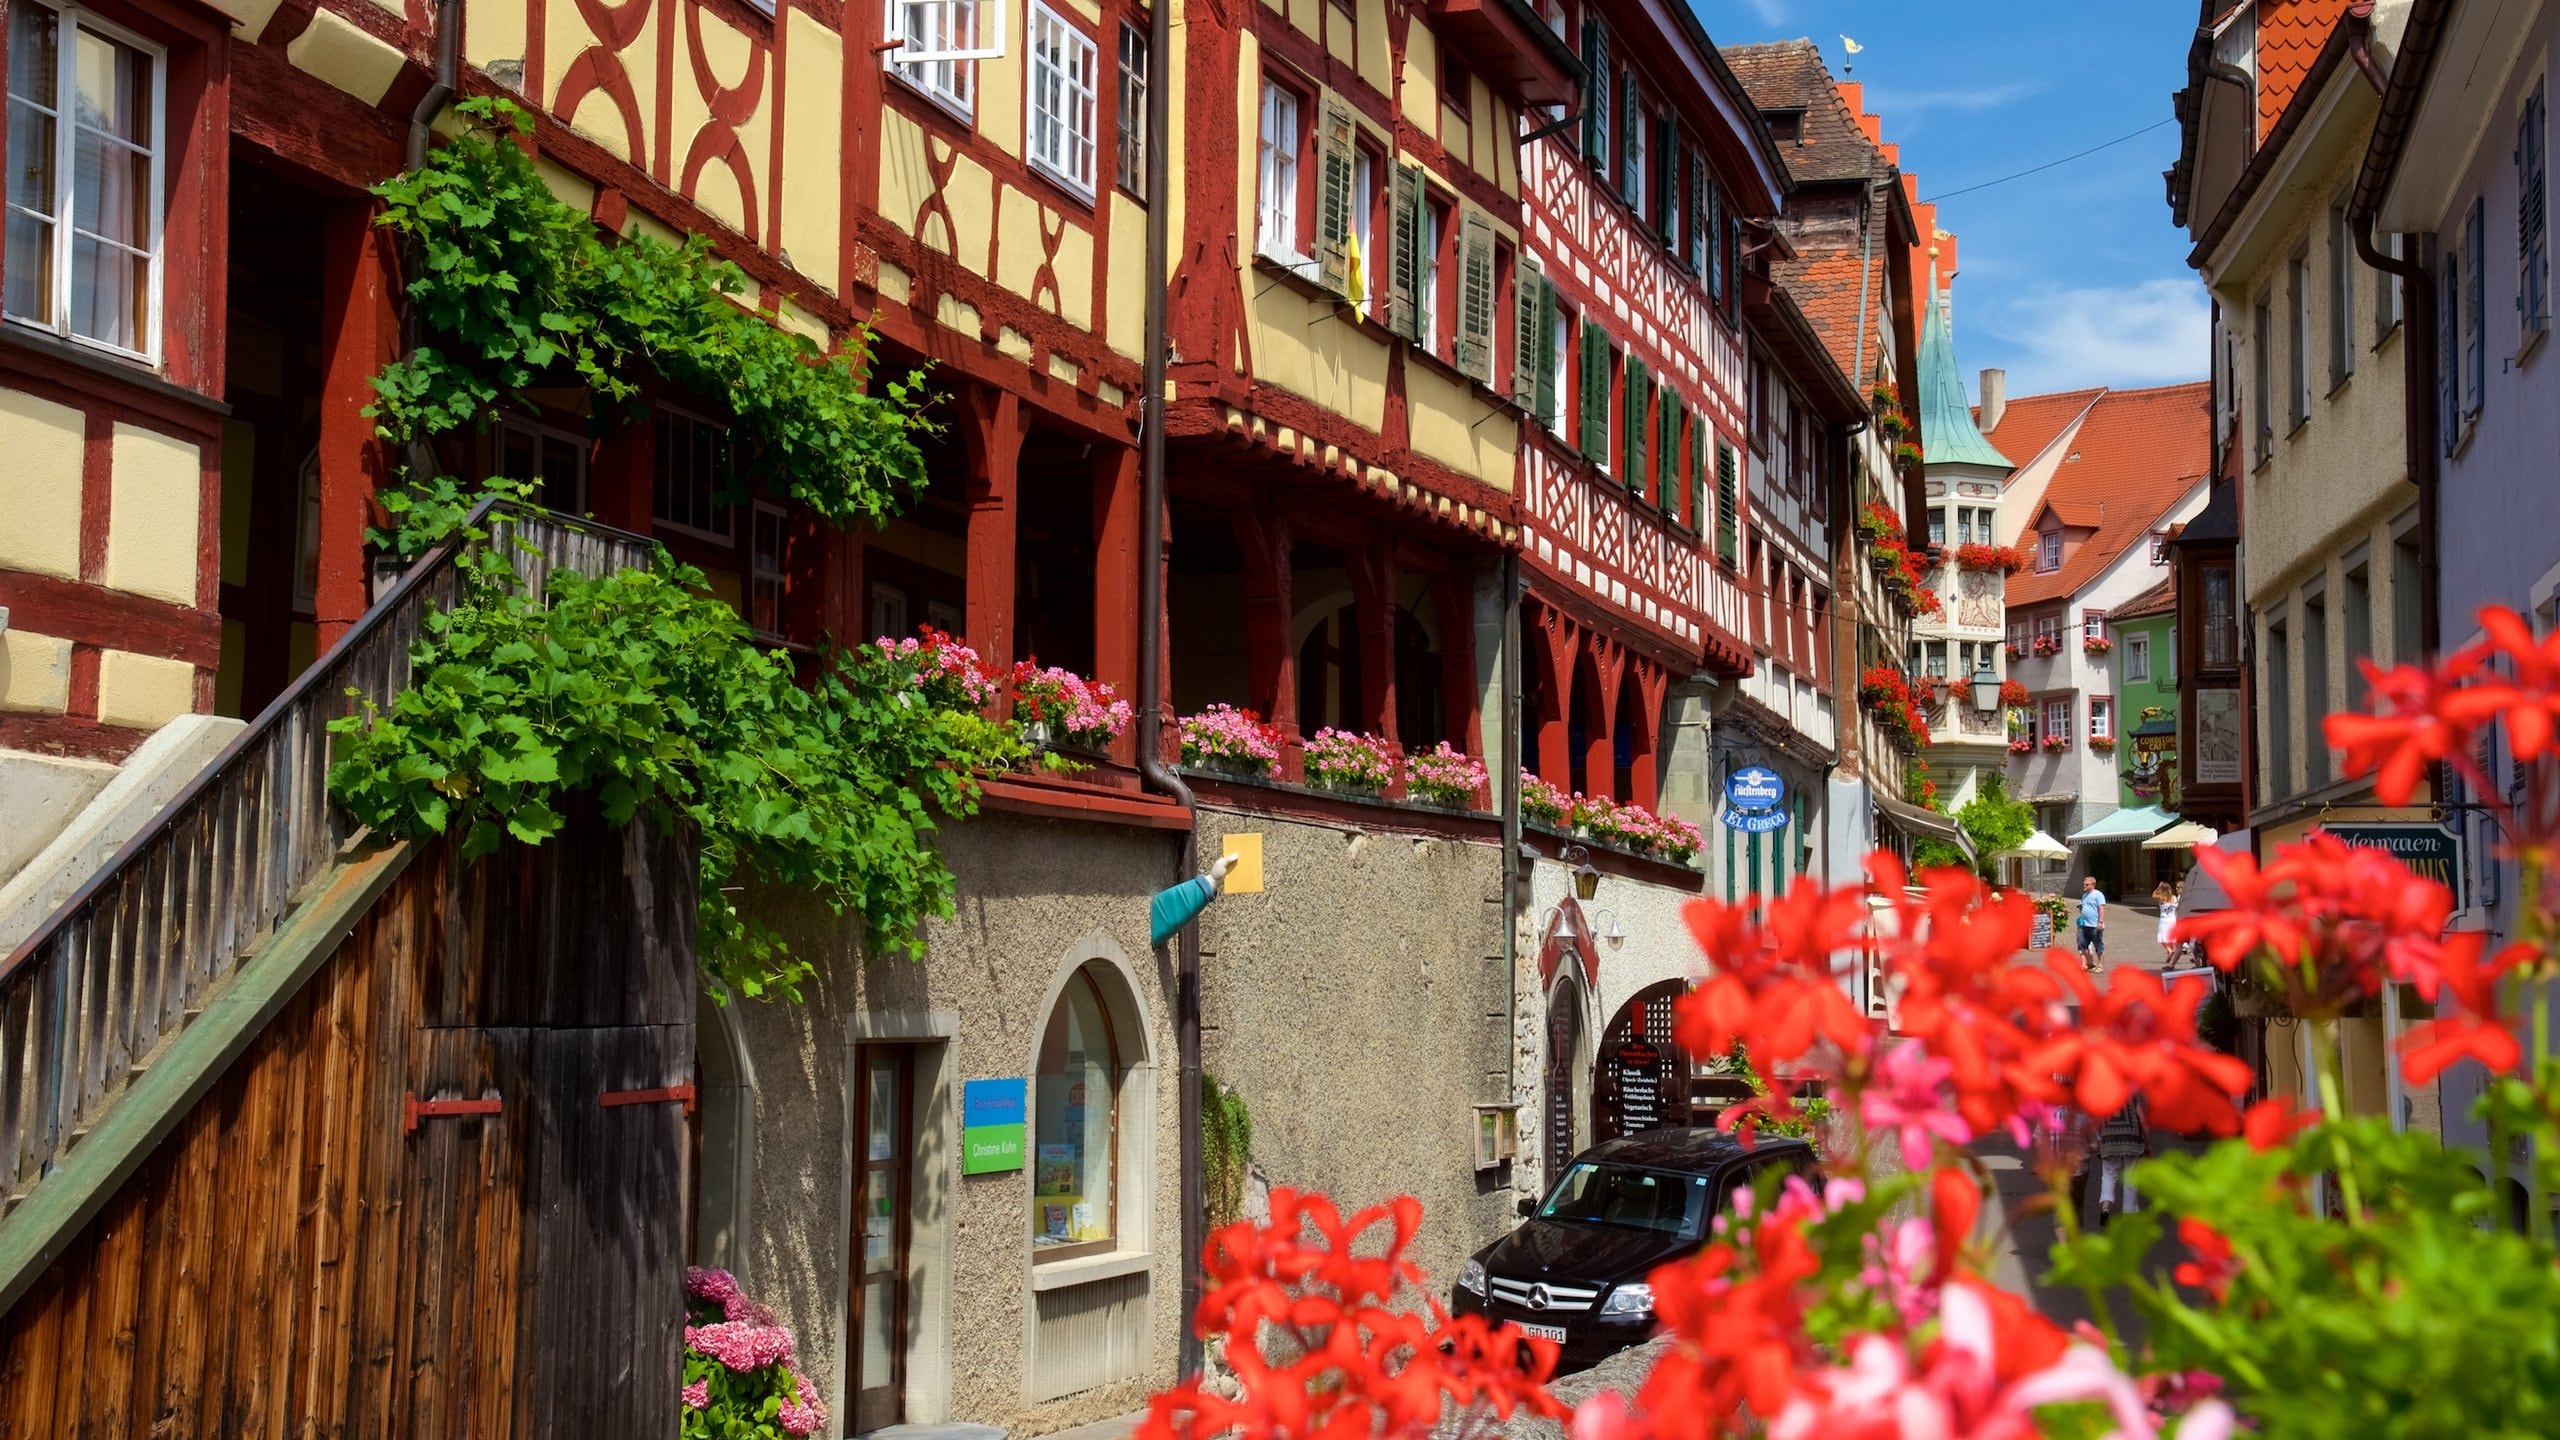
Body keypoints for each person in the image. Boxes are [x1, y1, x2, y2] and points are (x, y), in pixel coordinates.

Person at [2096, 1093, 2149, 1225]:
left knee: (2108, 1174)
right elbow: (2142, 1119)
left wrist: (2099, 1138)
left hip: (2109, 1136)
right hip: (2131, 1137)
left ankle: (2106, 1207)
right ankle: (2129, 1216)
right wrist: (2148, 1142)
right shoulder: (2132, 1091)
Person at [2077, 875, 2107, 972]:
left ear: (2093, 885)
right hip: (2084, 925)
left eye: (2086, 884)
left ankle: (2100, 966)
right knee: (2081, 944)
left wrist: (2100, 922)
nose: (2084, 886)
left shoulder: (2098, 894)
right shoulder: (2084, 895)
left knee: (2098, 945)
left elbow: (2101, 908)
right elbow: (2083, 908)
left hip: (2094, 925)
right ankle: (2090, 963)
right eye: (2084, 884)